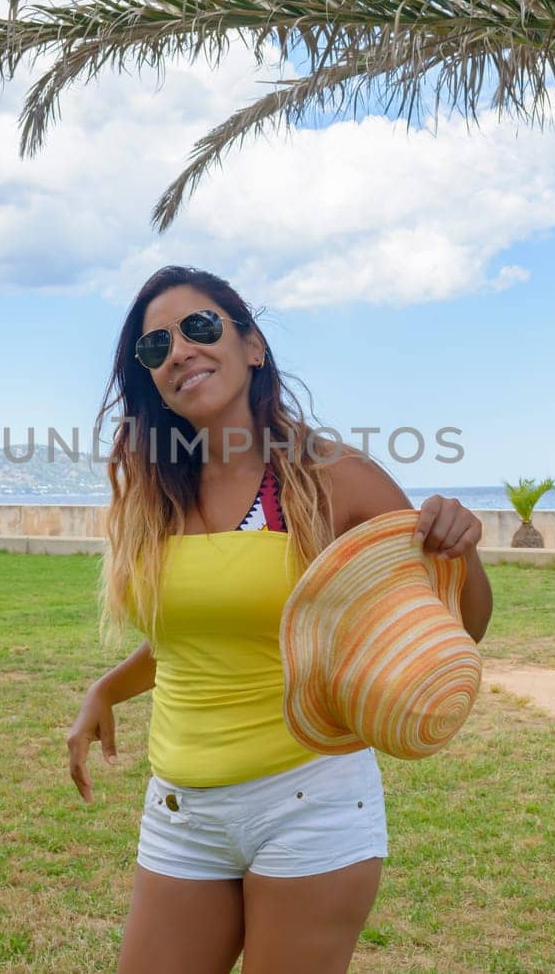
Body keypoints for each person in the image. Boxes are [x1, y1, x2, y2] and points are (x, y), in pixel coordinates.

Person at [65, 266, 494, 973]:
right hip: (182, 812)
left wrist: (462, 550)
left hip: (308, 802)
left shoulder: (332, 477)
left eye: (199, 327)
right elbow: (195, 635)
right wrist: (107, 687)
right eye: (154, 348)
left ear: (252, 346)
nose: (178, 351)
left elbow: (454, 626)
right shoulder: (154, 495)